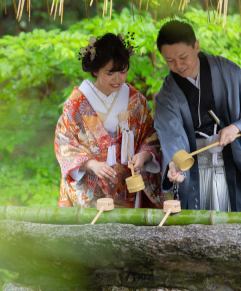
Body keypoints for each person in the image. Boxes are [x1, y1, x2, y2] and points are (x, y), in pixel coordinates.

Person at [153, 20, 241, 291]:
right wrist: (174, 163)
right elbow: (170, 134)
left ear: (196, 46)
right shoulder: (168, 92)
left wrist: (237, 128)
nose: (179, 66)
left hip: (233, 164)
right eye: (170, 61)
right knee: (201, 239)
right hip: (197, 173)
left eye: (183, 57)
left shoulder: (225, 70)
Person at [55, 33, 162, 208]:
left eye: (123, 71)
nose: (117, 79)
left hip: (128, 187)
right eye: (110, 73)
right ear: (95, 70)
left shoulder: (136, 101)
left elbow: (151, 136)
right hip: (91, 188)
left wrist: (144, 155)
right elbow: (65, 142)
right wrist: (91, 164)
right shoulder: (76, 103)